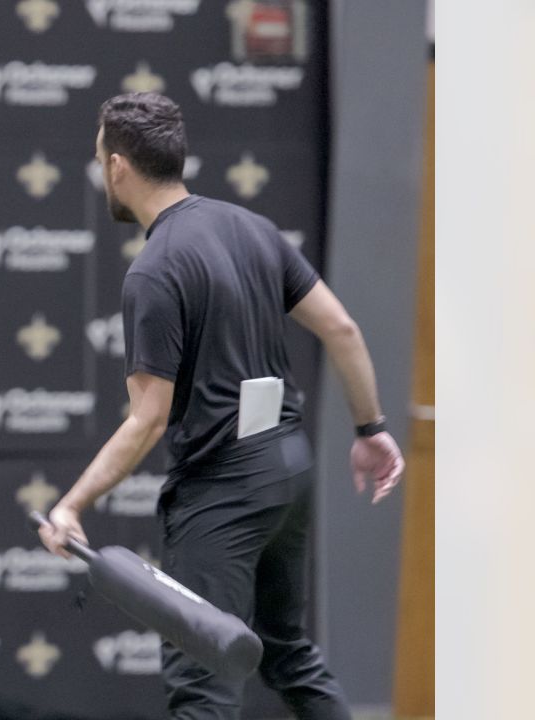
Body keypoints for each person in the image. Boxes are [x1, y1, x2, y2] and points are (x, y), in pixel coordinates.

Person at [38, 92, 405, 719]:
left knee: (202, 686)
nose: (102, 172)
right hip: (288, 471)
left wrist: (72, 504)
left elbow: (147, 418)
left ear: (120, 166)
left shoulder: (153, 272)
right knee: (288, 653)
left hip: (223, 494)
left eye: (101, 159)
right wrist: (371, 427)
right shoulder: (251, 228)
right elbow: (342, 329)